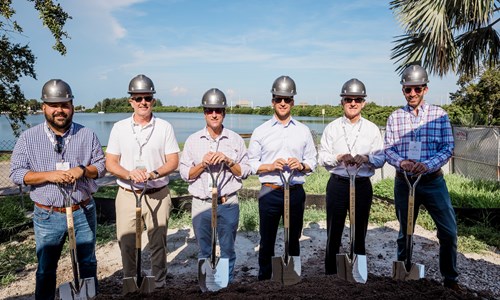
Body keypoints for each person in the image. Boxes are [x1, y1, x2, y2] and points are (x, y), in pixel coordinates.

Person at [10, 79, 106, 299]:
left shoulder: (87, 134)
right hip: (47, 215)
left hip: (82, 210)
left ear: (72, 106)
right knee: (46, 268)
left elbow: (101, 166)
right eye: (54, 105)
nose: (60, 110)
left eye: (64, 104)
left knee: (88, 262)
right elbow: (16, 174)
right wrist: (48, 176)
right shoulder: (28, 138)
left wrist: (82, 170)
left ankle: (88, 296)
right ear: (44, 107)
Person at [384, 65, 460, 290]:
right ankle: (403, 271)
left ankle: (450, 278)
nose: (412, 94)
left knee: (448, 231)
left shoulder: (439, 115)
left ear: (425, 89)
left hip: (432, 181)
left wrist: (426, 165)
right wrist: (402, 162)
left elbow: (448, 148)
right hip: (405, 182)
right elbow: (388, 149)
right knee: (404, 230)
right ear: (403, 91)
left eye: (417, 89)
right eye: (408, 90)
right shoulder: (395, 117)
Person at [105, 74, 180, 290]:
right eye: (138, 98)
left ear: (153, 100)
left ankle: (159, 284)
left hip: (157, 193)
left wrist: (154, 173)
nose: (143, 102)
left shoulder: (164, 127)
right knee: (127, 241)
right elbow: (111, 162)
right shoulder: (119, 127)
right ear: (131, 101)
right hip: (128, 194)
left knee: (158, 243)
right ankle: (131, 282)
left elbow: (173, 160)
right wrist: (129, 174)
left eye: (147, 98)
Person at [247, 75, 317, 281]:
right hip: (270, 190)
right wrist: (269, 166)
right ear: (273, 101)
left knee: (293, 236)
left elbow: (313, 159)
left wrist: (302, 165)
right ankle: (265, 276)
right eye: (279, 99)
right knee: (267, 237)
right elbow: (251, 163)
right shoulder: (261, 131)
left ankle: (292, 273)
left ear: (293, 102)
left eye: (287, 99)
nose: (283, 103)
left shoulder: (303, 131)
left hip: (295, 191)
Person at [179, 88, 251, 283]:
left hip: (227, 202)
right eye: (210, 110)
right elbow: (185, 173)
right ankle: (207, 285)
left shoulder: (235, 139)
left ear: (224, 113)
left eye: (218, 110)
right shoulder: (193, 141)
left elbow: (245, 171)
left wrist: (228, 161)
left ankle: (225, 284)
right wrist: (202, 164)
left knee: (227, 248)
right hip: (201, 202)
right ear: (204, 113)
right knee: (204, 248)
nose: (214, 114)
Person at [318, 78, 385, 275]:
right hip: (338, 184)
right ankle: (331, 272)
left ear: (363, 102)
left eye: (357, 99)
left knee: (360, 229)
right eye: (348, 99)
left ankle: (357, 270)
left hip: (362, 184)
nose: (353, 103)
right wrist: (337, 157)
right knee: (334, 230)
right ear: (342, 102)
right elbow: (322, 157)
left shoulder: (372, 129)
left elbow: (381, 158)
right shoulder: (332, 128)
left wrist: (367, 158)